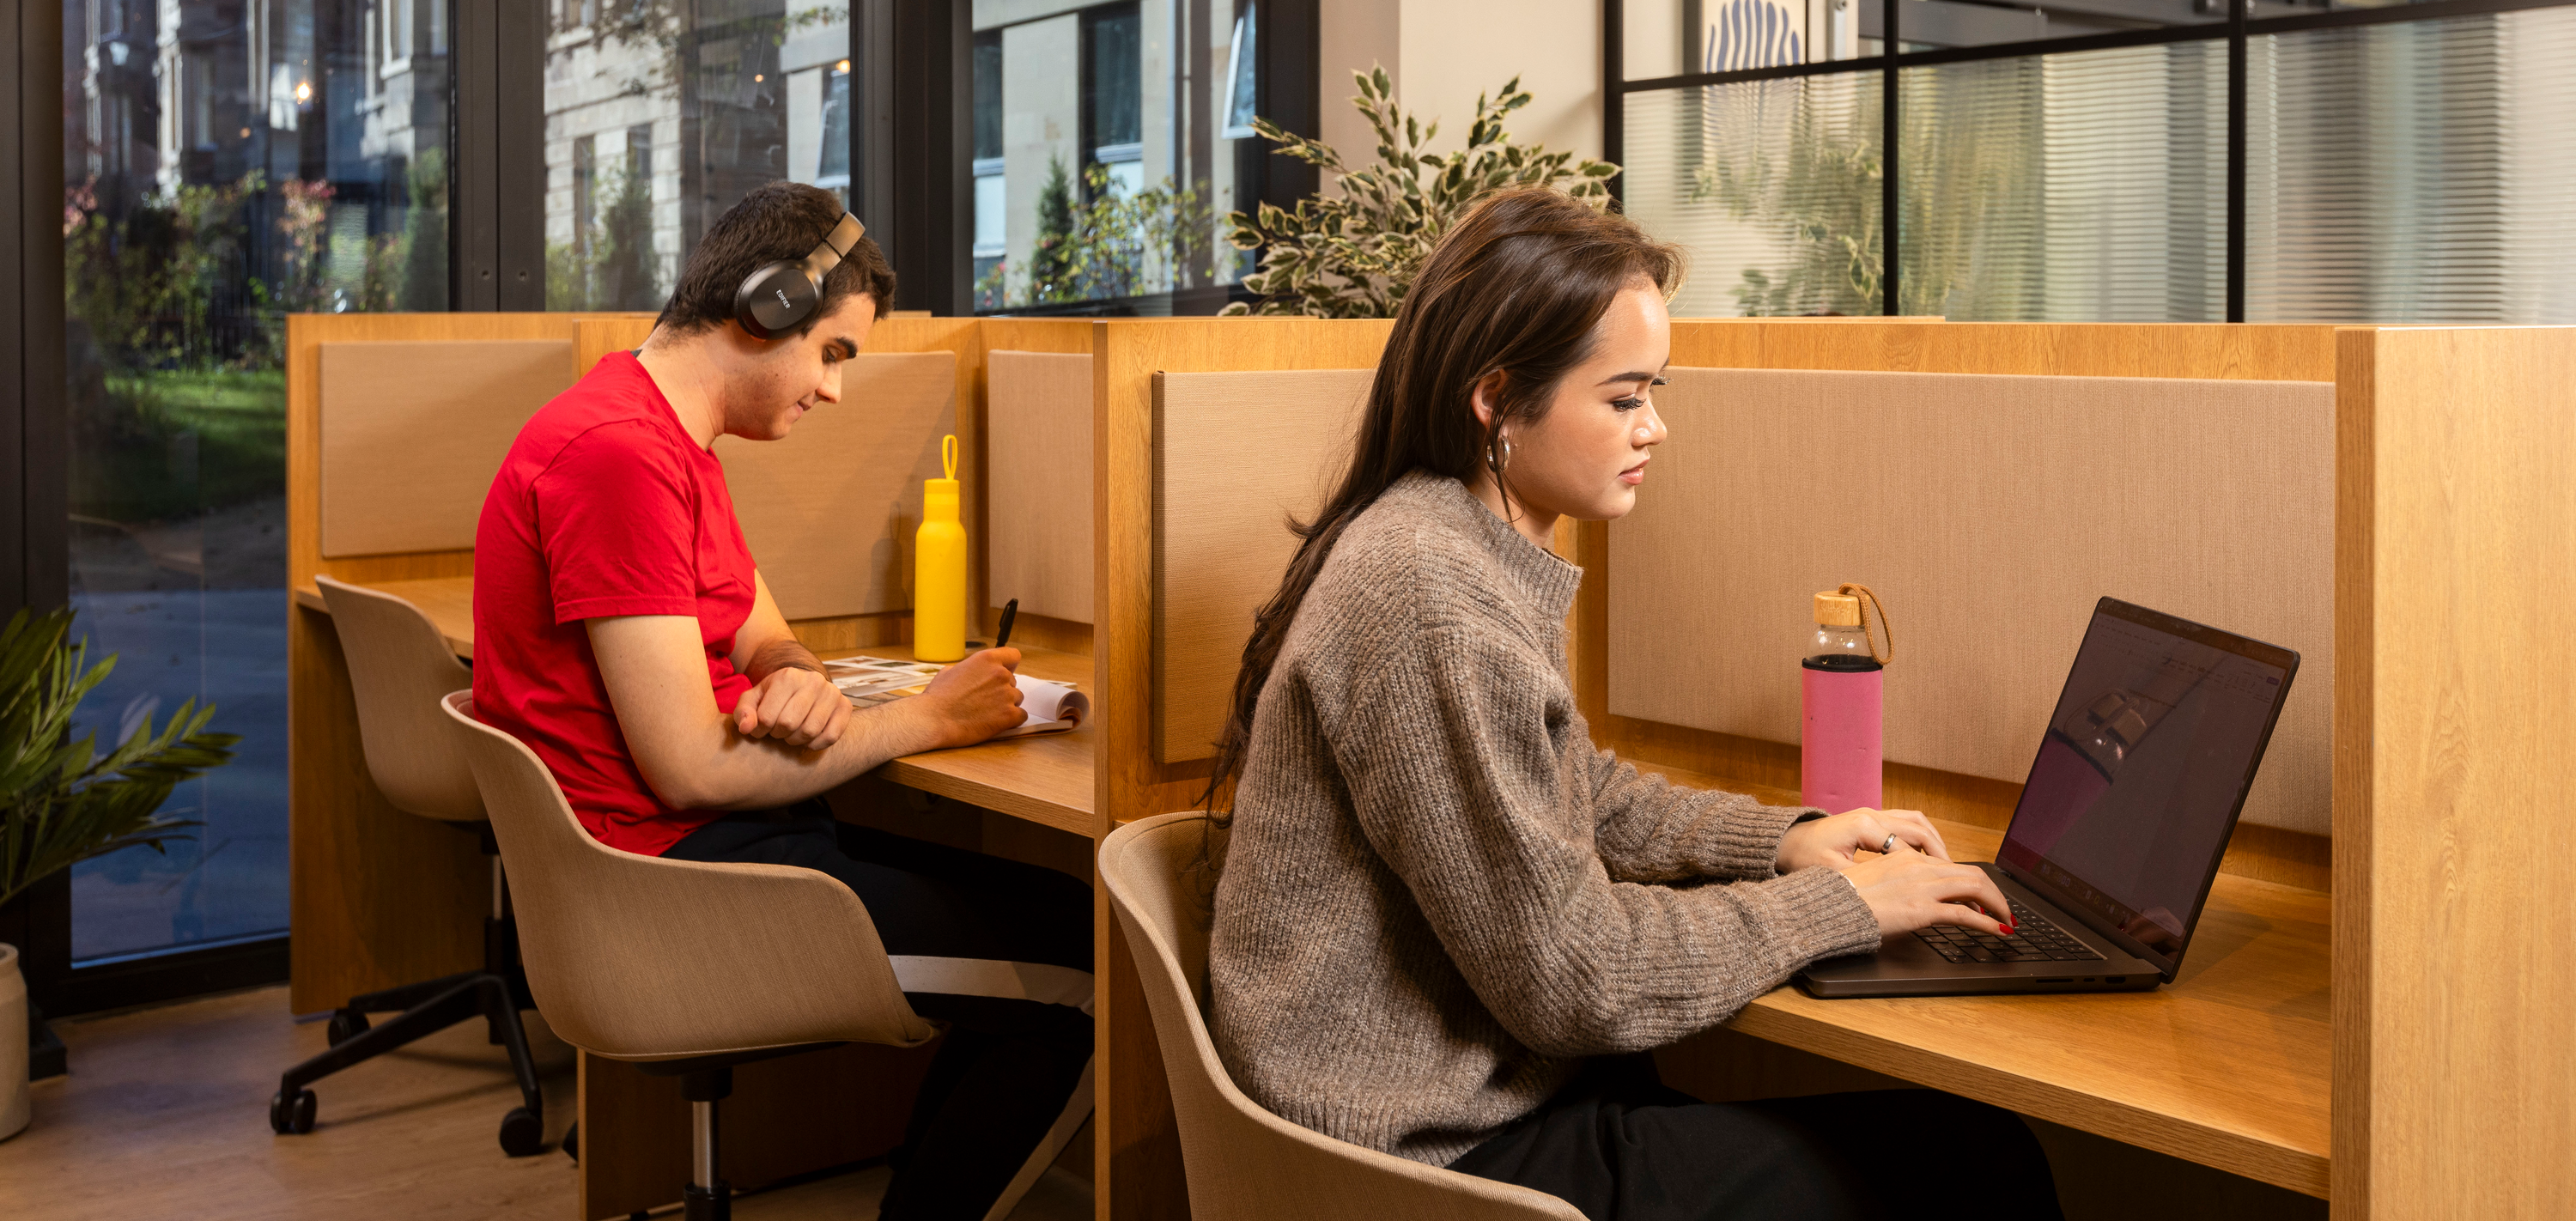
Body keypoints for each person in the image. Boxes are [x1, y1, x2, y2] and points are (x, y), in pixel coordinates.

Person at [1205, 187, 2065, 1221]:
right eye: (1623, 399)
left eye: (1655, 390)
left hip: (1470, 1096)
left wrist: (1782, 842)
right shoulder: (1429, 598)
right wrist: (1841, 906)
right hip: (1424, 1155)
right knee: (1973, 1161)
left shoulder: (1459, 541)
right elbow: (1575, 978)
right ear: (1496, 399)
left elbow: (1571, 785)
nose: (1656, 427)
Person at [471, 182, 1092, 1221]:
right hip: (670, 885)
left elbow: (756, 624)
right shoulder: (619, 457)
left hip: (709, 847)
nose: (836, 391)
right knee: (1088, 969)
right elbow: (693, 768)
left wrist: (792, 670)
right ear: (762, 310)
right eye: (834, 354)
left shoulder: (668, 436)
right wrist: (931, 719)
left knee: (1057, 920)